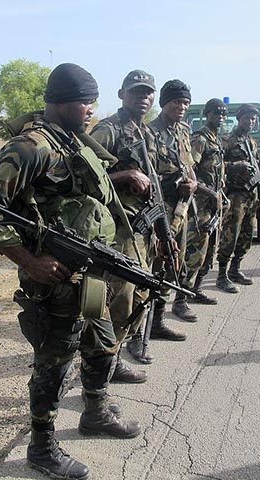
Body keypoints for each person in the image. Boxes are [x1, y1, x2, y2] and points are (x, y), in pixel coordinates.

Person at [0, 63, 141, 480]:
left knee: (102, 344)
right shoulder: (30, 147)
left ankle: (95, 411)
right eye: (84, 101)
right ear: (58, 102)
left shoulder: (74, 141)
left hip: (89, 273)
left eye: (93, 101)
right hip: (52, 278)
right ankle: (41, 446)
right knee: (54, 360)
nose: (91, 108)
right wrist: (29, 261)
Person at [89, 69, 158, 370]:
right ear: (121, 95)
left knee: (141, 292)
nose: (142, 97)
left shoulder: (147, 132)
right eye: (136, 91)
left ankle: (116, 352)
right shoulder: (108, 130)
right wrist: (126, 175)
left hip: (144, 227)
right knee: (120, 296)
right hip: (119, 229)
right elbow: (83, 174)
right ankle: (105, 362)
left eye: (147, 92)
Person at [148, 79, 198, 332]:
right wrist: (173, 186)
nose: (182, 106)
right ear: (164, 103)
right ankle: (142, 329)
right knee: (156, 266)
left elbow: (188, 164)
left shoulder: (183, 130)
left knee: (175, 263)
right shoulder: (149, 132)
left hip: (182, 208)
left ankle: (158, 320)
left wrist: (193, 183)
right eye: (177, 101)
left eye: (186, 102)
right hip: (160, 211)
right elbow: (146, 176)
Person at [185, 98, 227, 305]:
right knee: (195, 254)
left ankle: (197, 289)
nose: (219, 117)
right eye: (215, 113)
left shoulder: (216, 140)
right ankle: (180, 301)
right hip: (199, 206)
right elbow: (189, 173)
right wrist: (211, 193)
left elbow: (218, 172)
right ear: (207, 114)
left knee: (210, 251)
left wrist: (221, 195)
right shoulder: (200, 139)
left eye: (222, 114)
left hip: (214, 206)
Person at [215, 104, 260, 293]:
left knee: (246, 235)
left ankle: (235, 269)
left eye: (253, 119)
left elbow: (257, 167)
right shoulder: (227, 141)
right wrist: (235, 166)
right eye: (247, 118)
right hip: (234, 195)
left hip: (250, 195)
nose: (250, 122)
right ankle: (221, 275)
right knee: (230, 236)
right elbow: (216, 166)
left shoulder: (252, 142)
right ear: (239, 119)